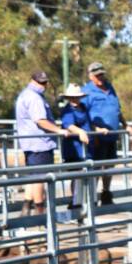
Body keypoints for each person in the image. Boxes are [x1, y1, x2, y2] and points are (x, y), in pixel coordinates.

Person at [13, 71, 66, 216]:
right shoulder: (34, 98)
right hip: (39, 144)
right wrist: (59, 131)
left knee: (34, 175)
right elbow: (40, 120)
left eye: (45, 82)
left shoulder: (26, 95)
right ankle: (40, 212)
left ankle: (26, 208)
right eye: (41, 82)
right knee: (40, 178)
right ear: (33, 81)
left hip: (31, 144)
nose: (44, 85)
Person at [82, 61, 132, 205]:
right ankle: (91, 197)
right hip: (97, 136)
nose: (100, 78)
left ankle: (106, 193)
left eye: (102, 75)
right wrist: (95, 129)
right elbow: (82, 114)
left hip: (112, 134)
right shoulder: (86, 91)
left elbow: (117, 110)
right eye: (97, 75)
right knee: (96, 166)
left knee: (110, 165)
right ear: (91, 76)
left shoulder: (110, 88)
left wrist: (126, 124)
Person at [58, 83, 92, 212]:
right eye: (72, 97)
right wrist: (80, 132)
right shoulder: (68, 110)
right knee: (76, 174)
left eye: (76, 97)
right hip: (74, 147)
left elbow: (89, 123)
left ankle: (84, 200)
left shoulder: (83, 107)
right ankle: (75, 201)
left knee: (85, 173)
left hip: (86, 147)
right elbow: (69, 125)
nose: (75, 99)